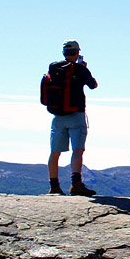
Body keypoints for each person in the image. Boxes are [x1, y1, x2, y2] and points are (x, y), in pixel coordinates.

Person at [46, 40, 98, 196]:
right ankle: (76, 184)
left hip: (58, 116)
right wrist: (84, 70)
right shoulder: (79, 69)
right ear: (77, 53)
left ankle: (54, 185)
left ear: (64, 53)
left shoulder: (54, 67)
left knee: (54, 152)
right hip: (76, 115)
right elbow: (93, 85)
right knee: (77, 150)